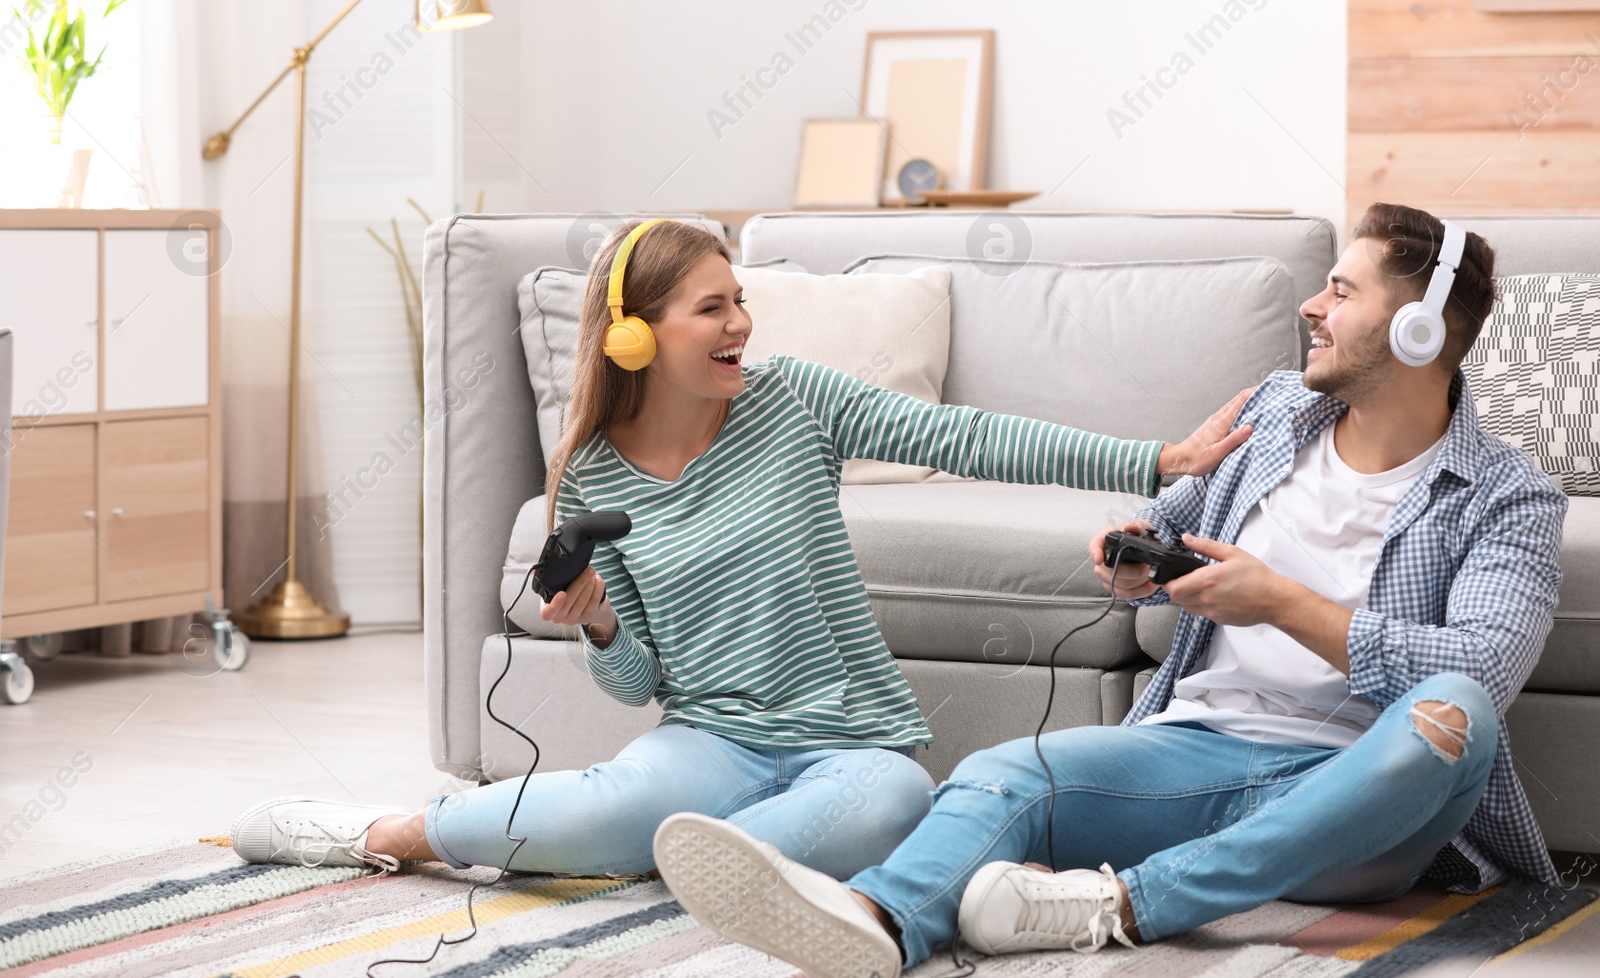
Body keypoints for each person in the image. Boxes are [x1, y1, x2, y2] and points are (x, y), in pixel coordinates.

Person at [655, 203, 1569, 978]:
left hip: (1355, 786)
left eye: (1342, 289)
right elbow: (1170, 516)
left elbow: (1481, 668)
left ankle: (1125, 904)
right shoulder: (1280, 409)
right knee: (1002, 774)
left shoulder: (1508, 495)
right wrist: (1138, 552)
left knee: (1453, 714)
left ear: (1421, 330)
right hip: (1195, 752)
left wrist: (1279, 600)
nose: (1311, 305)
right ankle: (880, 920)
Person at [226, 218, 1252, 880]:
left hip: (850, 741)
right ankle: (388, 833)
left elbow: (970, 436)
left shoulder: (795, 401)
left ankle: (679, 859)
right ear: (635, 335)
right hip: (705, 739)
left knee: (893, 802)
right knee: (620, 798)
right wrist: (598, 623)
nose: (740, 325)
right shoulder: (589, 477)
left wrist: (1159, 455)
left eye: (740, 300)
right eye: (712, 307)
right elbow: (635, 683)